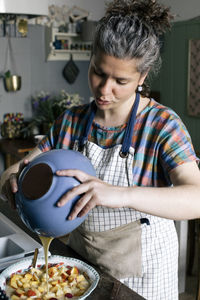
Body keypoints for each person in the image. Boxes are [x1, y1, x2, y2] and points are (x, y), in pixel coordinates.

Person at [1, 0, 200, 299]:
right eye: (98, 72)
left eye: (121, 81)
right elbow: (19, 167)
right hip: (85, 268)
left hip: (145, 278)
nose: (104, 90)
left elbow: (196, 197)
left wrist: (120, 194)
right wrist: (11, 179)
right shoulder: (71, 121)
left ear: (142, 78)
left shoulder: (162, 125)